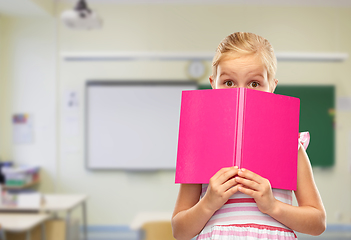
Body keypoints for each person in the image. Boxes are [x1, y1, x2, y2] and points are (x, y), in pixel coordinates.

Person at [171, 32, 326, 240]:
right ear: (212, 84)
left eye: (254, 83)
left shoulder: (290, 145)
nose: (241, 93)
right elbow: (179, 231)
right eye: (228, 82)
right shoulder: (200, 145)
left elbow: (318, 222)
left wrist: (272, 206)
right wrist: (208, 203)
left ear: (272, 86)